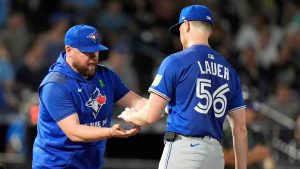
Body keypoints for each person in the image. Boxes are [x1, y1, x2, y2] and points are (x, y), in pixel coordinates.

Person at [118, 5, 248, 169]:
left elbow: (150, 116)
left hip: (185, 151)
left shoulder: (175, 61)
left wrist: (130, 116)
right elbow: (241, 130)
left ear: (185, 25)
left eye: (179, 29)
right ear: (210, 31)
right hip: (215, 156)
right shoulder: (230, 71)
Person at [32, 24, 147, 169]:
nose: (93, 57)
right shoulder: (55, 85)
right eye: (87, 52)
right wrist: (111, 132)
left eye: (96, 51)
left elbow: (137, 101)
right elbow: (74, 132)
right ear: (69, 50)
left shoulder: (106, 75)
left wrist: (164, 107)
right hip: (56, 165)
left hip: (90, 164)